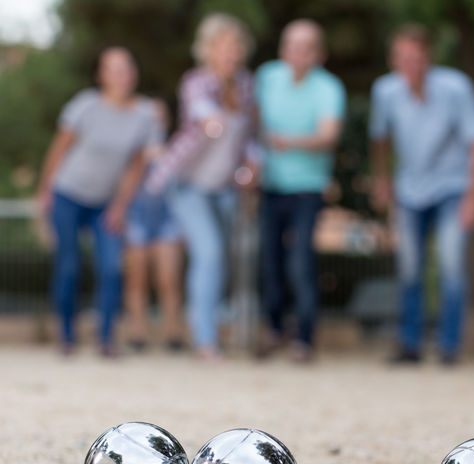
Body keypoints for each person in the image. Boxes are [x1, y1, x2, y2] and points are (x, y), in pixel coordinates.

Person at [370, 24, 474, 365]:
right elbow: (379, 139)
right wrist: (382, 180)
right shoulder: (386, 92)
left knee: (451, 265)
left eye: (418, 58)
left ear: (429, 58)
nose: (412, 65)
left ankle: (449, 347)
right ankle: (410, 345)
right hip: (409, 189)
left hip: (453, 188)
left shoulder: (456, 88)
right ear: (394, 61)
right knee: (409, 268)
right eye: (404, 58)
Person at [147, 13, 260, 361]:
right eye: (224, 45)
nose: (232, 52)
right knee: (208, 253)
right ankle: (205, 341)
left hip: (225, 187)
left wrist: (254, 164)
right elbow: (201, 111)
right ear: (208, 50)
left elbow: (251, 137)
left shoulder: (246, 86)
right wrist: (210, 118)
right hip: (188, 184)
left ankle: (210, 329)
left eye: (236, 45)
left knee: (221, 260)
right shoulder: (196, 82)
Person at [36, 46, 154, 357]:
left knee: (112, 268)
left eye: (127, 68)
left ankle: (106, 339)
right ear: (101, 76)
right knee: (69, 266)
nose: (123, 75)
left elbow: (137, 166)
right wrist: (44, 191)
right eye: (114, 69)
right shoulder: (85, 106)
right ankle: (67, 335)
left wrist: (120, 206)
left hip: (106, 202)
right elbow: (59, 149)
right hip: (68, 195)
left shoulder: (144, 115)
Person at [255, 19, 346, 362]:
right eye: (291, 45)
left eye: (305, 47)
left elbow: (329, 136)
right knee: (269, 262)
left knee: (300, 262)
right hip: (270, 186)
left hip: (308, 188)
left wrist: (285, 141)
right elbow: (252, 124)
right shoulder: (267, 77)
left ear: (318, 54)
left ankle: (304, 338)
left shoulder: (329, 88)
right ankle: (275, 329)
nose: (297, 53)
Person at [123, 99, 184, 353]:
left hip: (169, 220)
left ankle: (174, 332)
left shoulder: (176, 151)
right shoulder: (128, 151)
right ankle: (138, 332)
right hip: (135, 218)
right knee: (136, 279)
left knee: (168, 278)